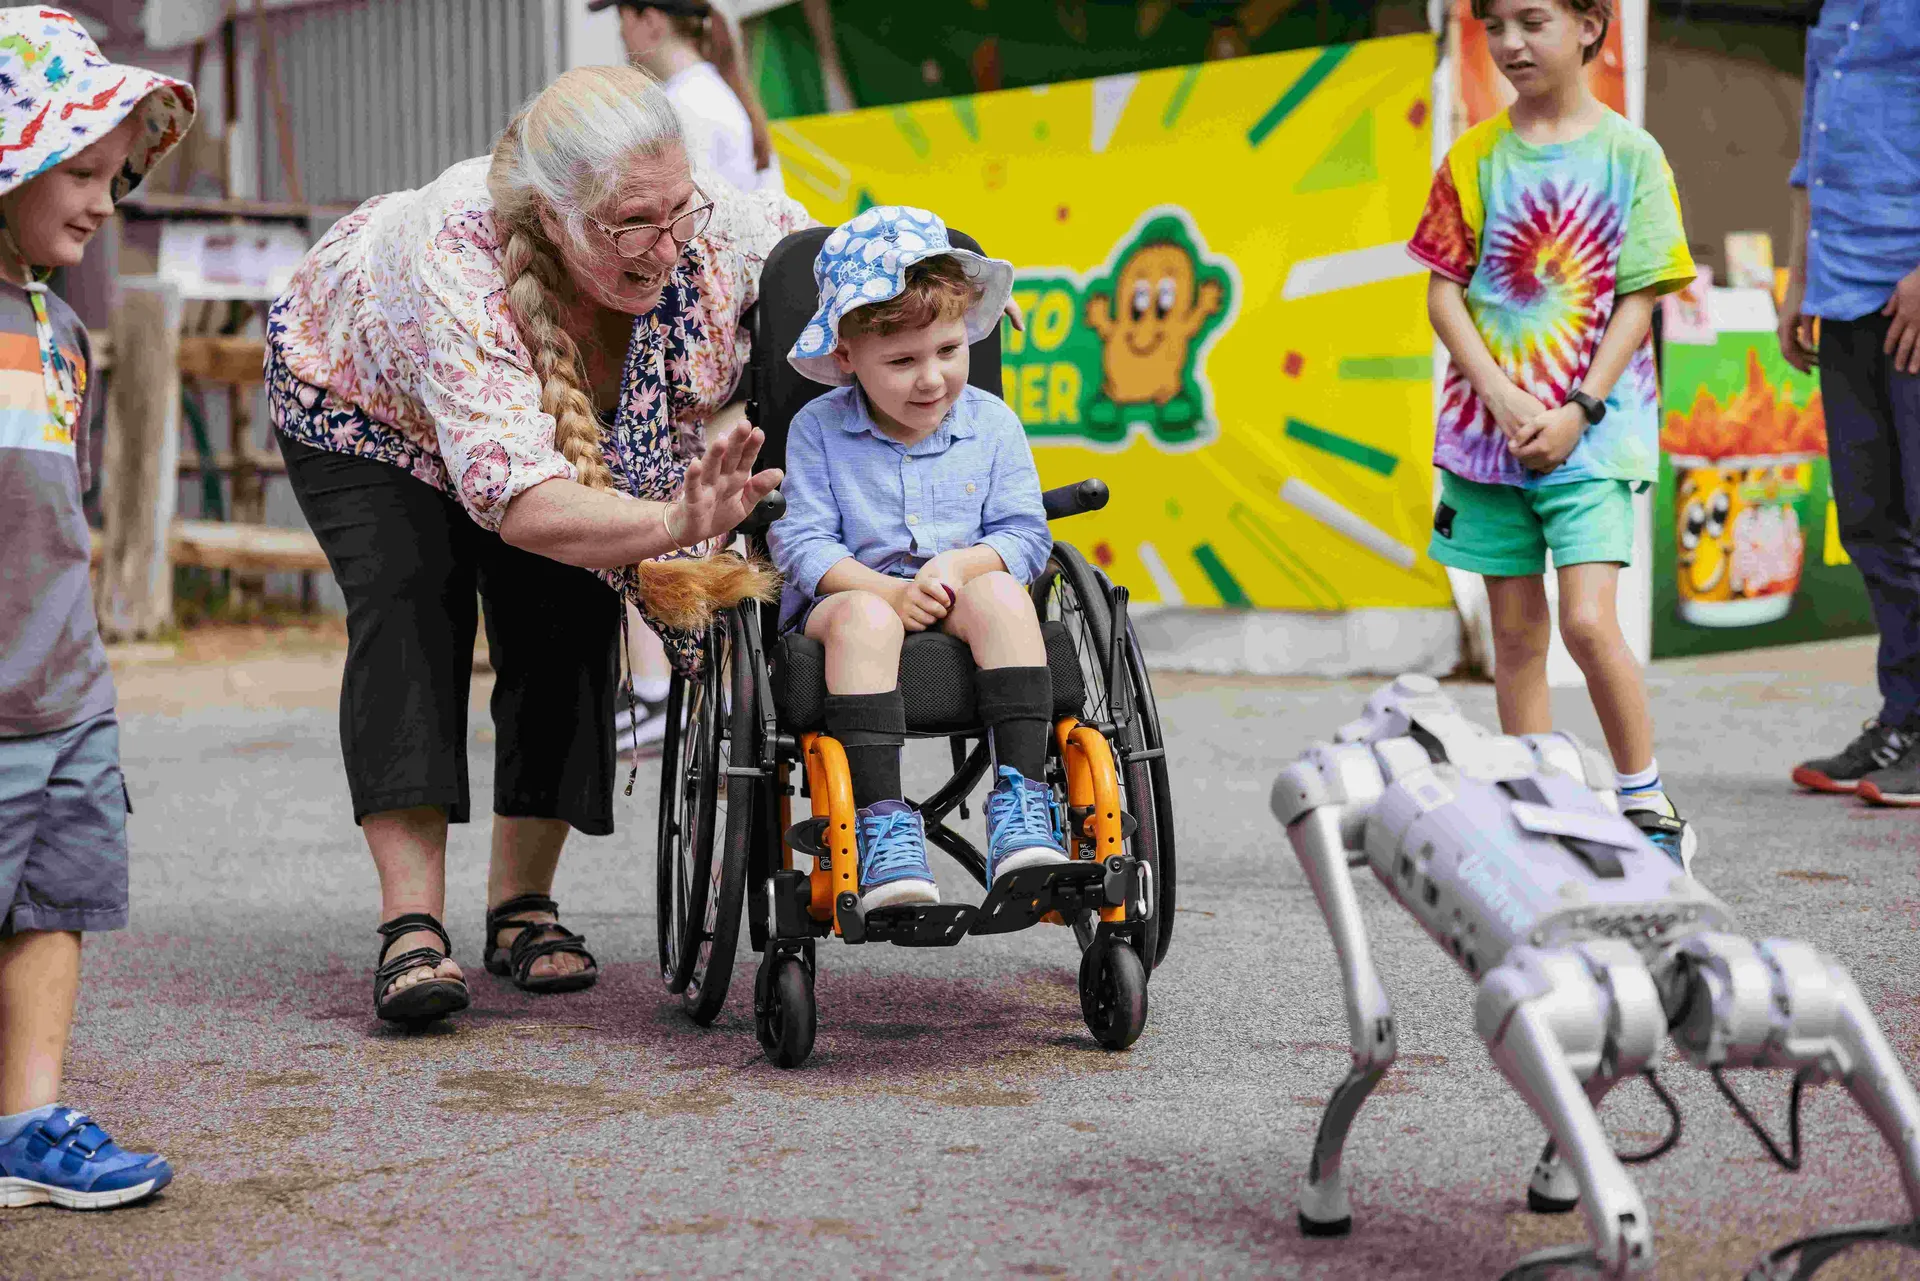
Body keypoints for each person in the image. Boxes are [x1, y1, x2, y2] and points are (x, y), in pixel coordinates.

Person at [267, 64, 796, 1025]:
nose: (668, 245)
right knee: (411, 607)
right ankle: (411, 930)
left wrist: (936, 291)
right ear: (554, 218)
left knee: (563, 612)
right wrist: (673, 522)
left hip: (532, 426)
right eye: (634, 224)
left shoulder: (702, 227)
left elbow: (817, 265)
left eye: (679, 210)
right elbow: (517, 500)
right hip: (360, 405)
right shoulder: (457, 257)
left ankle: (520, 906)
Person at [1408, 0, 1701, 865]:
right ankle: (1531, 803)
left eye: (1532, 21)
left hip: (1595, 437)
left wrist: (1581, 407)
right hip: (1486, 440)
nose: (1510, 43)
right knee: (1515, 635)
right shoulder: (1470, 157)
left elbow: (1642, 297)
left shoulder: (1632, 155)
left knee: (1586, 620)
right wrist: (1497, 395)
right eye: (1494, 24)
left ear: (1589, 24)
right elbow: (1441, 292)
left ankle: (1646, 801)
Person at [0, 9, 194, 1210]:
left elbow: (65, 521)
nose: (102, 200)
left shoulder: (62, 336)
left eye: (114, 175)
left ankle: (27, 1120)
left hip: (62, 691)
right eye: (78, 170)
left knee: (53, 905)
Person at [769, 207, 1066, 911]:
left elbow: (1025, 533)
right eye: (902, 361)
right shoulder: (818, 429)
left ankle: (1021, 804)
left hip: (961, 596)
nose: (931, 378)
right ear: (848, 359)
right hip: (848, 600)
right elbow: (803, 543)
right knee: (868, 618)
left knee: (1002, 592)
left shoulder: (993, 424)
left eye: (948, 351)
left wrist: (962, 567)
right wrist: (889, 593)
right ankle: (880, 826)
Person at [1779, 1, 1920, 808]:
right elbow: (1812, 158)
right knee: (1871, 518)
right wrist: (1800, 282)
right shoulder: (1832, 13)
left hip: (1911, 292)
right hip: (1845, 289)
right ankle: (1903, 717)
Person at [598, 0, 781, 196]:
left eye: (622, 20)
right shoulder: (702, 91)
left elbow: (690, 215)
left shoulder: (685, 104)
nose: (621, 34)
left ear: (651, 21)